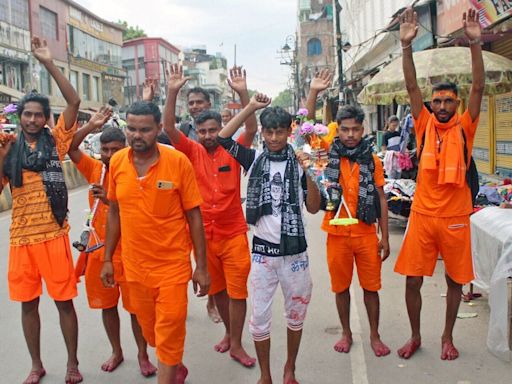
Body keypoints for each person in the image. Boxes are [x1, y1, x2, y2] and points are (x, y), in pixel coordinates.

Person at [395, 7, 484, 361]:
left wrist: (475, 44)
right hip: (422, 215)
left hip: (456, 216)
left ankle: (448, 337)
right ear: (431, 104)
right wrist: (405, 48)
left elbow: (478, 85)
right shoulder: (423, 124)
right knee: (412, 280)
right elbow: (412, 85)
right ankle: (415, 336)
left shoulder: (465, 125)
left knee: (454, 282)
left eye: (448, 101)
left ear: (457, 103)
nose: (442, 105)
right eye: (438, 101)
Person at [101, 100, 210, 384]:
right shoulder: (117, 163)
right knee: (151, 333)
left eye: (145, 130)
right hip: (135, 268)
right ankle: (173, 365)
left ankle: (169, 371)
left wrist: (202, 266)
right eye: (132, 129)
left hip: (172, 267)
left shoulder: (177, 163)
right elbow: (114, 212)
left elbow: (194, 216)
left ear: (159, 128)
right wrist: (107, 259)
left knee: (170, 329)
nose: (137, 135)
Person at [218, 93, 321, 384]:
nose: (274, 137)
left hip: (295, 256)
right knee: (259, 321)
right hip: (263, 255)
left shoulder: (302, 160)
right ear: (262, 132)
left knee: (295, 316)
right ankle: (266, 375)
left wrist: (309, 172)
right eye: (269, 131)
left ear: (290, 132)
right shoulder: (253, 160)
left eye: (280, 131)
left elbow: (313, 208)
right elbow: (224, 139)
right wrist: (250, 106)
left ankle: (290, 369)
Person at [163, 64, 257, 367]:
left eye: (213, 130)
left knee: (238, 292)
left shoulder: (234, 149)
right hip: (203, 237)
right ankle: (230, 335)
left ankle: (237, 344)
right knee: (218, 292)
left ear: (221, 129)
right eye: (202, 131)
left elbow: (252, 129)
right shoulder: (191, 150)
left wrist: (243, 93)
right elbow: (168, 129)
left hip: (233, 234)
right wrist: (172, 91)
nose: (207, 136)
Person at [0, 37, 82, 384]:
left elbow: (75, 100)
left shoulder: (57, 141)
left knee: (64, 303)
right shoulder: (9, 147)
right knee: (28, 305)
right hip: (21, 240)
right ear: (20, 117)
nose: (32, 119)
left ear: (47, 118)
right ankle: (36, 364)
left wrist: (49, 62)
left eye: (38, 114)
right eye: (27, 114)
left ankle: (72, 363)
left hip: (53, 235)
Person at [67, 107, 157, 377]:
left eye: (115, 149)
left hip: (130, 252)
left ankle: (142, 354)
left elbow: (146, 210)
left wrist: (110, 199)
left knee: (135, 309)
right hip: (99, 253)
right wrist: (91, 124)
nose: (109, 155)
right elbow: (70, 148)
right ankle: (117, 350)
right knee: (107, 306)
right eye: (105, 149)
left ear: (126, 148)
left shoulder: (135, 171)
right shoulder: (94, 168)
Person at [321, 105, 390, 357]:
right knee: (340, 288)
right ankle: (346, 332)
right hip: (336, 233)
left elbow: (381, 198)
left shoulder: (372, 161)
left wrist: (385, 236)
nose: (350, 134)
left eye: (356, 129)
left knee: (371, 288)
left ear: (363, 129)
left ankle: (374, 334)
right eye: (345, 129)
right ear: (336, 130)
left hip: (365, 233)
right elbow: (305, 129)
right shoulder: (327, 157)